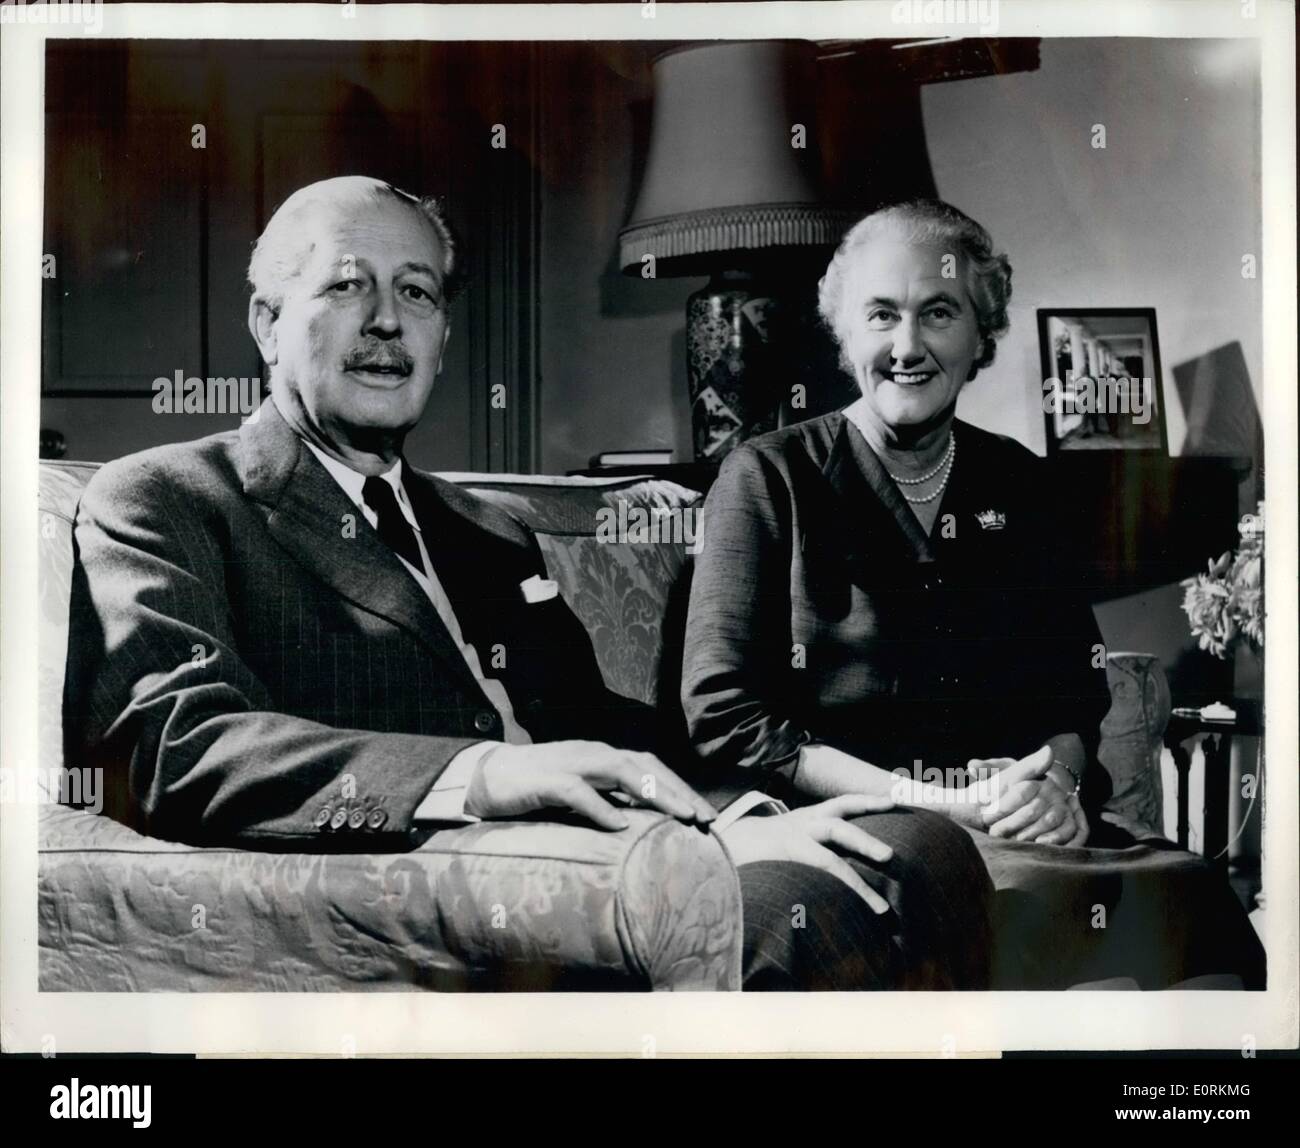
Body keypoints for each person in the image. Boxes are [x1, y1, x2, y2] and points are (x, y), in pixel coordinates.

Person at [62, 176, 991, 991]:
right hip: (455, 902)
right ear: (267, 324)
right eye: (347, 284)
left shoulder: (485, 531)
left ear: (442, 334)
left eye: (416, 292)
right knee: (812, 915)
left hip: (621, 857)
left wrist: (739, 814)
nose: (386, 319)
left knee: (915, 849)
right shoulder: (169, 498)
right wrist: (487, 775)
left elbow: (600, 727)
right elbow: (176, 746)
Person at [681, 199, 1265, 990]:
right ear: (844, 331)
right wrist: (938, 801)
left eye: (940, 312)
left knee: (1197, 907)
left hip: (1014, 828)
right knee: (997, 927)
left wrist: (1057, 781)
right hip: (859, 830)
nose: (908, 346)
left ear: (980, 334)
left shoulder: (1023, 483)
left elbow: (1072, 688)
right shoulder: (766, 478)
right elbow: (726, 717)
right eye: (882, 314)